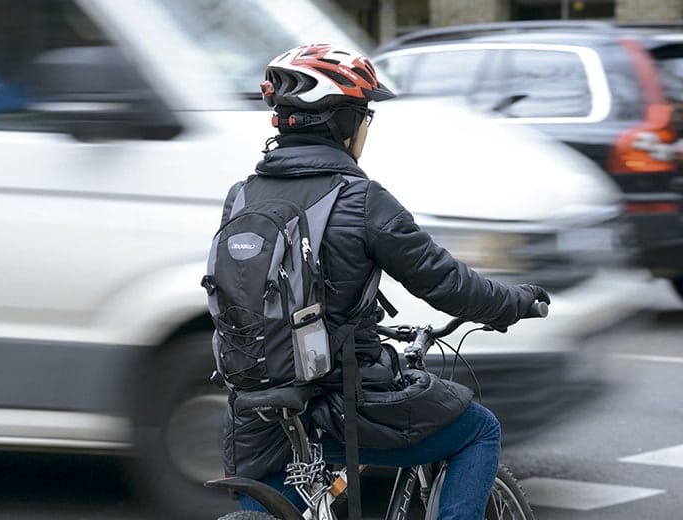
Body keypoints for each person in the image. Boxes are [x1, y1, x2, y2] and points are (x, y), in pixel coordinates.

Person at [220, 43, 550, 520]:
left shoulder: (241, 197)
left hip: (256, 409)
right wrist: (514, 303)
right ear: (344, 123)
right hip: (344, 405)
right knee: (480, 430)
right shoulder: (361, 200)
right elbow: (446, 283)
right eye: (365, 115)